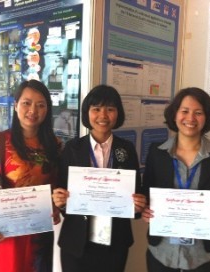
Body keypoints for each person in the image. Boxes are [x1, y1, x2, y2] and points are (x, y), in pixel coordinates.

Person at [0, 79, 61, 272]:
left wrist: (57, 206)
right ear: (16, 105)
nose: (33, 110)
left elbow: (56, 184)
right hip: (7, 229)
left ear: (47, 110)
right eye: (26, 103)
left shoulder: (55, 145)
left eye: (41, 105)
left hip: (40, 231)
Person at [52, 84, 146, 272]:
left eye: (110, 109)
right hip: (76, 242)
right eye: (96, 109)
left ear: (118, 113)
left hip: (115, 242)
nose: (103, 116)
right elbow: (61, 194)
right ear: (87, 112)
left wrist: (137, 205)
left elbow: (136, 196)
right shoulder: (72, 148)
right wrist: (59, 201)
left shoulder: (126, 149)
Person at [142, 87, 210, 272]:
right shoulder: (157, 152)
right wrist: (145, 209)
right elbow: (147, 193)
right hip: (161, 253)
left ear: (207, 117)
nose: (190, 118)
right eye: (184, 111)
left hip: (202, 257)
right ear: (175, 114)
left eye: (198, 113)